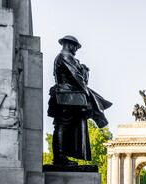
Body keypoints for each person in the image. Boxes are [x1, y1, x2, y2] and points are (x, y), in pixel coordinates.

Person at [48, 35, 112, 165]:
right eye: (75, 46)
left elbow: (79, 74)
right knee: (63, 124)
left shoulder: (67, 57)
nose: (76, 49)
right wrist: (86, 91)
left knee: (64, 125)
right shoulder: (65, 55)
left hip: (67, 94)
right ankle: (59, 156)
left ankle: (61, 155)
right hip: (67, 94)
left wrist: (83, 69)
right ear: (68, 44)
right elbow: (76, 75)